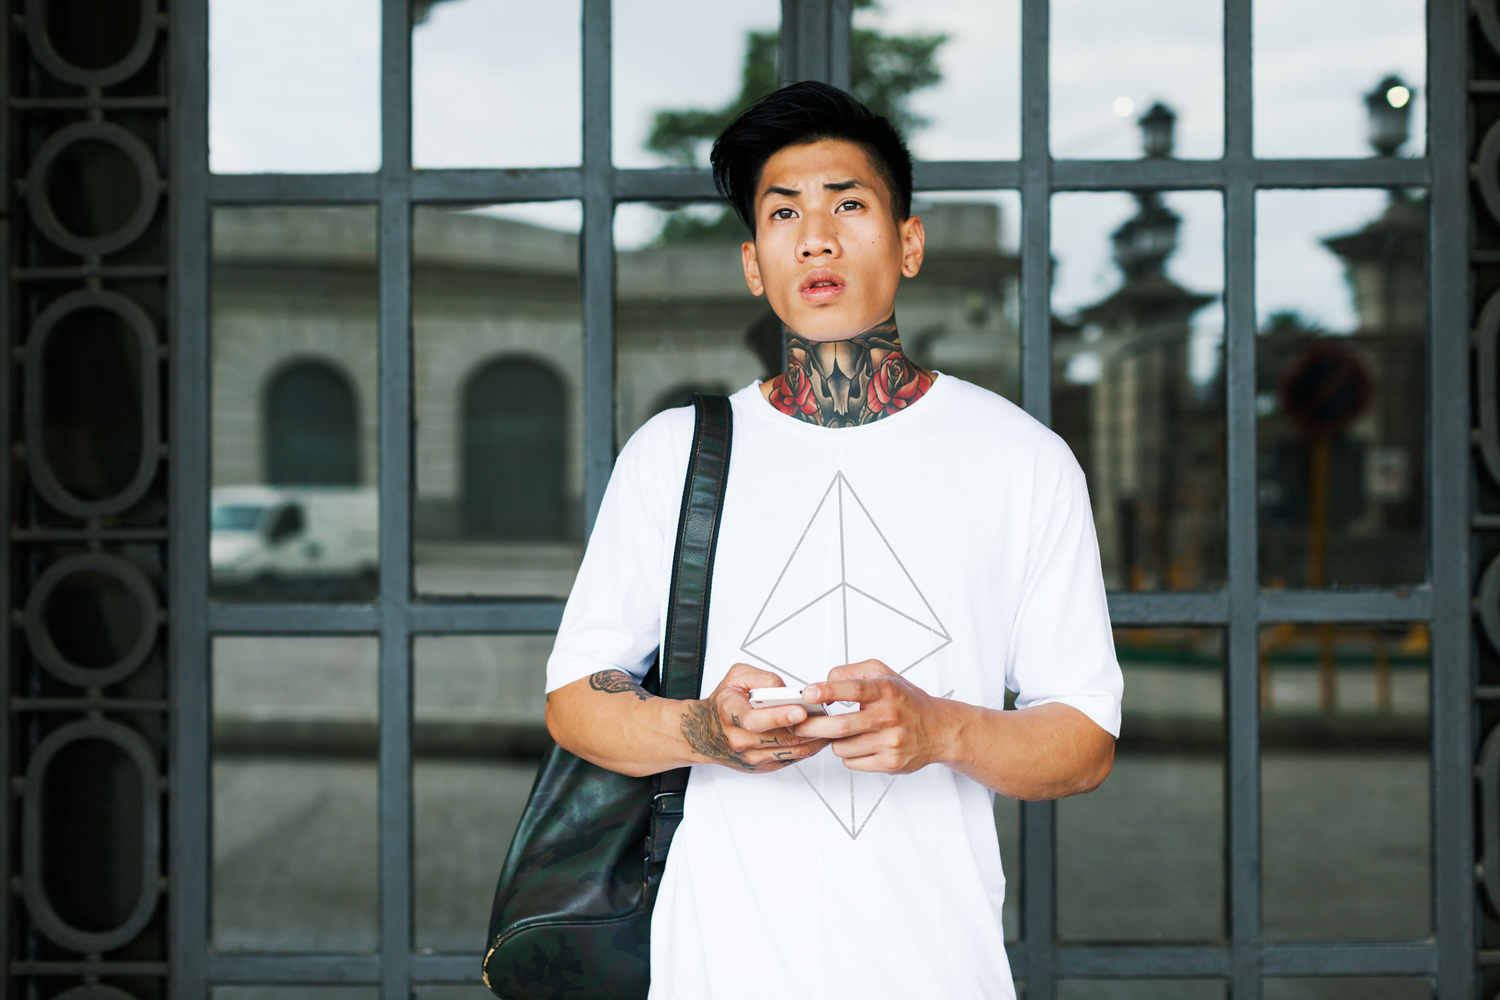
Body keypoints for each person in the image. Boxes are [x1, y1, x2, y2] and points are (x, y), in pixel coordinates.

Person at [544, 80, 1122, 999]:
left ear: (908, 243)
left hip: (937, 972)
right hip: (714, 971)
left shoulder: (1023, 460)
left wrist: (942, 729)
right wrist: (703, 729)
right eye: (784, 212)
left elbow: (1084, 741)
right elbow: (576, 700)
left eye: (848, 204)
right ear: (753, 263)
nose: (816, 236)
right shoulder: (674, 454)